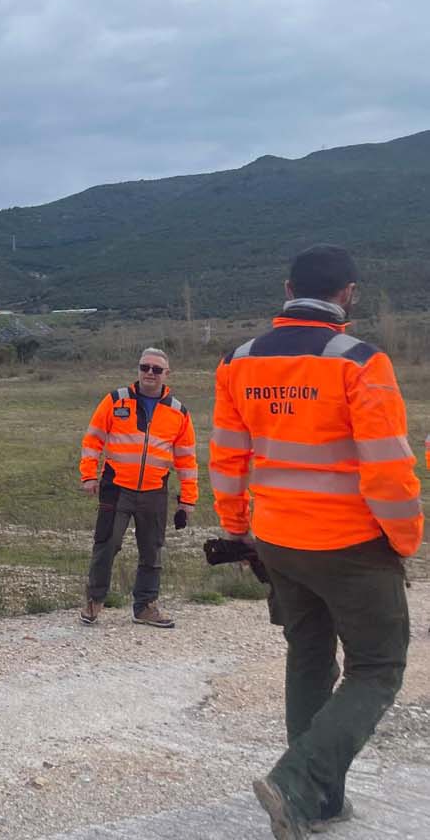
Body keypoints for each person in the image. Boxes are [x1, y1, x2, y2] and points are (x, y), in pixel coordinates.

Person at [210, 244, 423, 839]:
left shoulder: (238, 360)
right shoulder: (360, 360)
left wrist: (235, 526)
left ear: (287, 288)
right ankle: (296, 783)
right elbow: (387, 466)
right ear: (348, 294)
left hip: (276, 538)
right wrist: (404, 539)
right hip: (349, 543)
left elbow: (228, 457)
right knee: (377, 668)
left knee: (308, 657)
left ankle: (317, 801)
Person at [78, 347, 198, 628]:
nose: (150, 374)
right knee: (106, 544)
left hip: (155, 490)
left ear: (167, 374)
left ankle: (145, 606)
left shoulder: (178, 411)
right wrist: (88, 475)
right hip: (116, 487)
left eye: (156, 369)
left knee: (152, 550)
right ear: (138, 369)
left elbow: (186, 459)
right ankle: (94, 601)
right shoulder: (115, 400)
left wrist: (188, 499)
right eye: (145, 367)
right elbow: (93, 440)